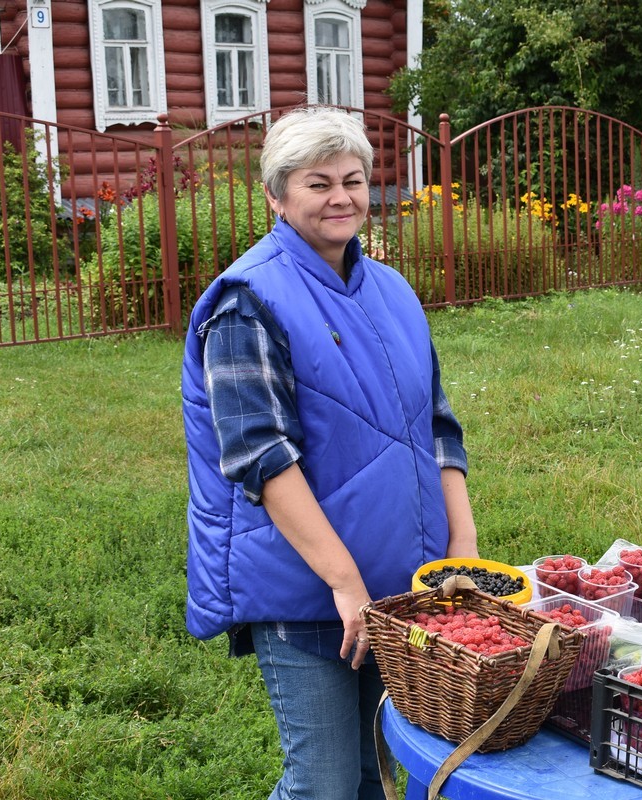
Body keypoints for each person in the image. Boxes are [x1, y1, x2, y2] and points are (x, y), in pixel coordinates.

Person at [180, 107, 478, 800]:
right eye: (318, 183)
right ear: (276, 196)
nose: (341, 197)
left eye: (353, 179)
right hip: (307, 593)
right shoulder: (246, 304)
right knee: (323, 784)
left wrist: (460, 544)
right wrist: (345, 583)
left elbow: (436, 424)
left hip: (403, 586)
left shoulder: (391, 290)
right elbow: (262, 461)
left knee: (380, 772)